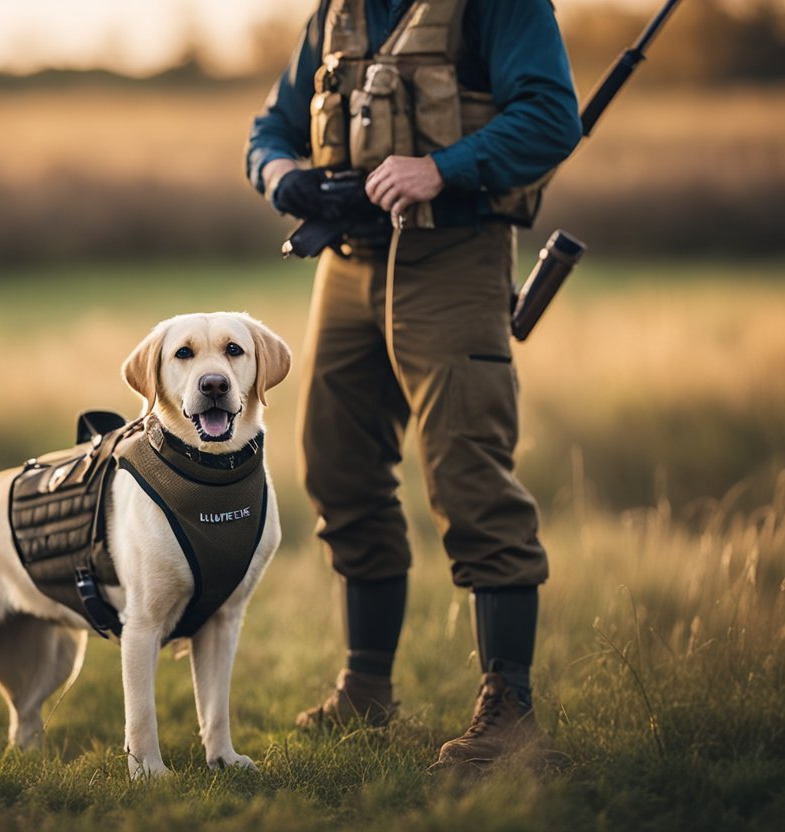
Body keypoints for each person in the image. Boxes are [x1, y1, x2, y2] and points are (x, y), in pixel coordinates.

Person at [246, 0, 581, 769]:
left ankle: (511, 719)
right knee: (337, 470)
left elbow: (552, 116)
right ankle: (365, 688)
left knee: (470, 477)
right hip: (346, 264)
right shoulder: (338, 10)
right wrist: (284, 178)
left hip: (455, 255)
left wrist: (441, 168)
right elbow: (267, 131)